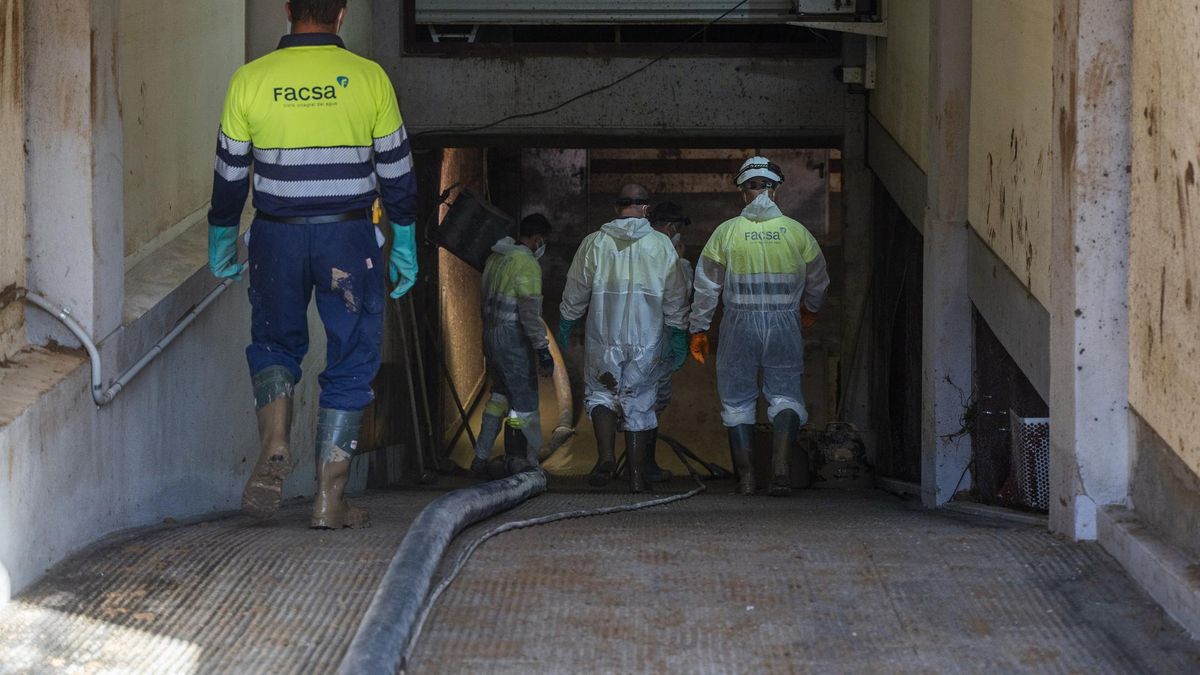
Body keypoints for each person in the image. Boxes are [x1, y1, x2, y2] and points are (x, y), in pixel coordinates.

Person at [206, 0, 417, 529]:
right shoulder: (370, 79)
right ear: (342, 14)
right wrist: (406, 239)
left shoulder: (250, 79)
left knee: (274, 343)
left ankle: (275, 441)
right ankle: (329, 500)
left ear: (288, 11)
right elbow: (396, 171)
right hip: (348, 238)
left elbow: (230, 174)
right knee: (351, 357)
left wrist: (221, 238)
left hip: (276, 236)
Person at [688, 157, 830, 496]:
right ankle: (780, 471)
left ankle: (748, 478)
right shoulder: (798, 233)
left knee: (736, 402)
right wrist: (810, 309)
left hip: (740, 325)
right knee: (785, 396)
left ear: (743, 192)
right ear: (775, 190)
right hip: (784, 325)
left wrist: (699, 328)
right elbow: (820, 281)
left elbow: (706, 286)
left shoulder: (726, 232)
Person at [557, 184, 690, 493]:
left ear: (617, 208)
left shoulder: (594, 243)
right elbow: (675, 296)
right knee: (641, 401)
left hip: (604, 332)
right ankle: (635, 476)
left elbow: (575, 288)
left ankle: (605, 459)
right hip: (648, 335)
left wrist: (567, 320)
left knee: (602, 394)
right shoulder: (662, 245)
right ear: (647, 209)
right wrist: (678, 332)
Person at [473, 214, 555, 477]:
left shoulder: (496, 257)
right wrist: (542, 349)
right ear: (538, 239)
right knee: (524, 403)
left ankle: (481, 457)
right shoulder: (527, 264)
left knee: (500, 396)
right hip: (512, 339)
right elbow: (529, 313)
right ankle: (525, 462)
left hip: (491, 335)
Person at [643, 201, 695, 483]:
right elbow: (680, 295)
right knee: (651, 401)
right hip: (658, 334)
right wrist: (682, 263)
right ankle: (644, 466)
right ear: (671, 228)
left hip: (628, 333)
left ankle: (635, 463)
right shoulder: (670, 256)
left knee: (637, 399)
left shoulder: (637, 246)